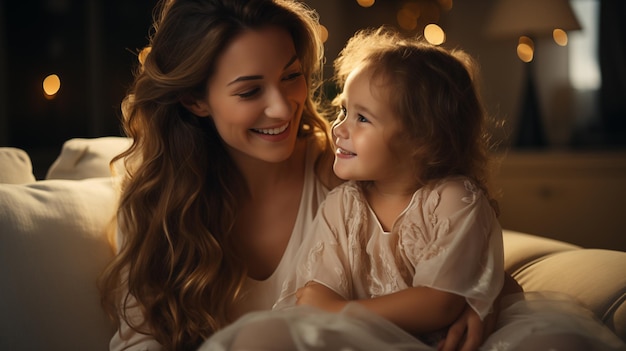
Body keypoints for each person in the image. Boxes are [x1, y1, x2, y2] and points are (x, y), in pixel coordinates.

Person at [99, 1, 514, 350]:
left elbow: (453, 245)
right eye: (249, 91)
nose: (282, 108)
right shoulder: (155, 203)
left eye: (291, 76)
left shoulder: (349, 174)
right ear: (195, 100)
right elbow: (141, 340)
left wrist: (478, 299)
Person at [200, 27, 626, 351]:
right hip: (374, 336)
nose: (339, 127)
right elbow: (316, 290)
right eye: (343, 109)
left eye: (362, 118)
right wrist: (329, 308)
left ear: (424, 139)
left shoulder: (455, 200)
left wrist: (339, 311)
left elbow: (439, 303)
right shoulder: (342, 205)